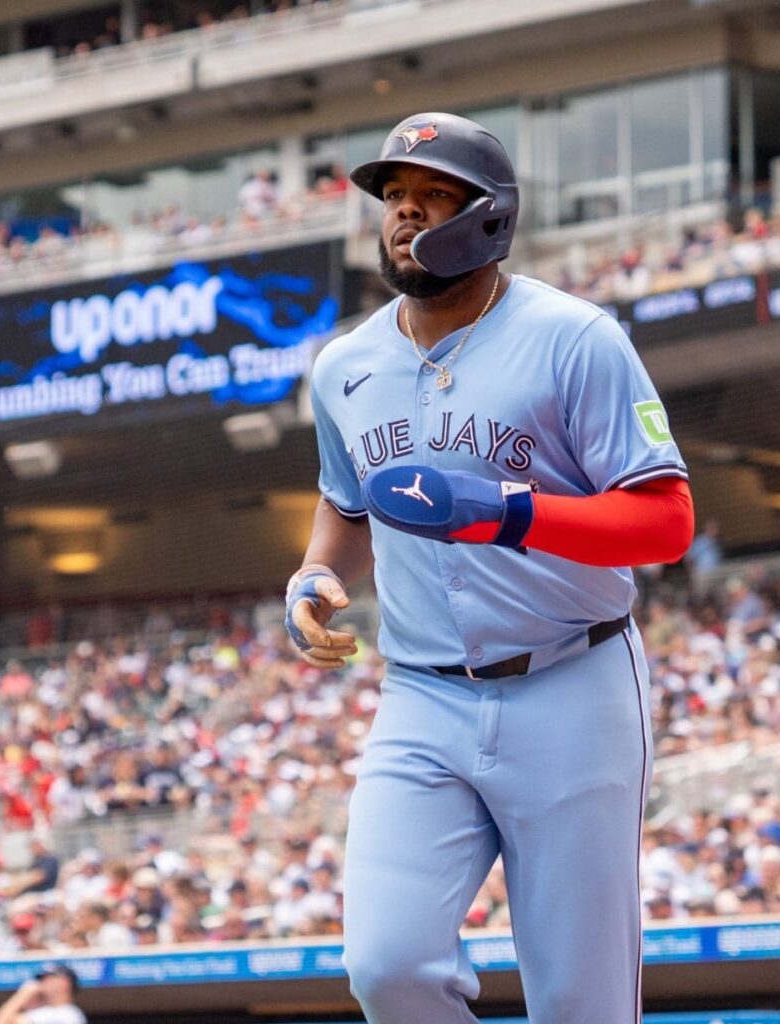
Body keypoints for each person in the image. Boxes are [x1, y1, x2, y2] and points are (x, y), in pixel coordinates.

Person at [286, 112, 694, 1023]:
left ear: (491, 216)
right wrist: (316, 576)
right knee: (387, 967)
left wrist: (509, 513)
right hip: (423, 695)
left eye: (433, 196)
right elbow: (347, 506)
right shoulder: (345, 365)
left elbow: (666, 522)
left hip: (572, 681)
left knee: (581, 1004)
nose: (405, 214)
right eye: (394, 197)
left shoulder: (575, 337)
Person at [0, 963, 86, 1024]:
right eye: (42, 979)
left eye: (49, 977)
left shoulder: (69, 1014)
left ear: (65, 982)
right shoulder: (47, 1011)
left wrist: (23, 994)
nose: (42, 982)